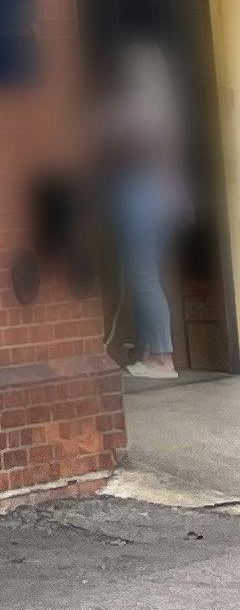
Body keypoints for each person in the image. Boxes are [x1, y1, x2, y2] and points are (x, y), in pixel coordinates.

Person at [94, 42, 187, 381]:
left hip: (138, 199)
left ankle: (163, 359)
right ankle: (149, 353)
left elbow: (103, 144)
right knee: (148, 276)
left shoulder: (129, 108)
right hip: (165, 200)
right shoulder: (163, 107)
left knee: (144, 278)